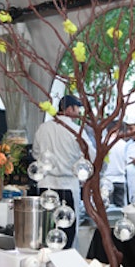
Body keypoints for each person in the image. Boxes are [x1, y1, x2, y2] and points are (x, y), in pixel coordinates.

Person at [32, 95, 96, 248]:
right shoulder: (74, 130)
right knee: (67, 233)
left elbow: (35, 153)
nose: (79, 112)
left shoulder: (43, 128)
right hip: (67, 185)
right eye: (77, 109)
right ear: (69, 109)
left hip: (45, 185)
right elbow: (91, 155)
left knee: (46, 231)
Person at [103, 121, 127, 207]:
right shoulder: (124, 145)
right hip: (120, 180)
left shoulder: (103, 143)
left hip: (106, 181)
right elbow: (126, 161)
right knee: (120, 209)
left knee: (107, 208)